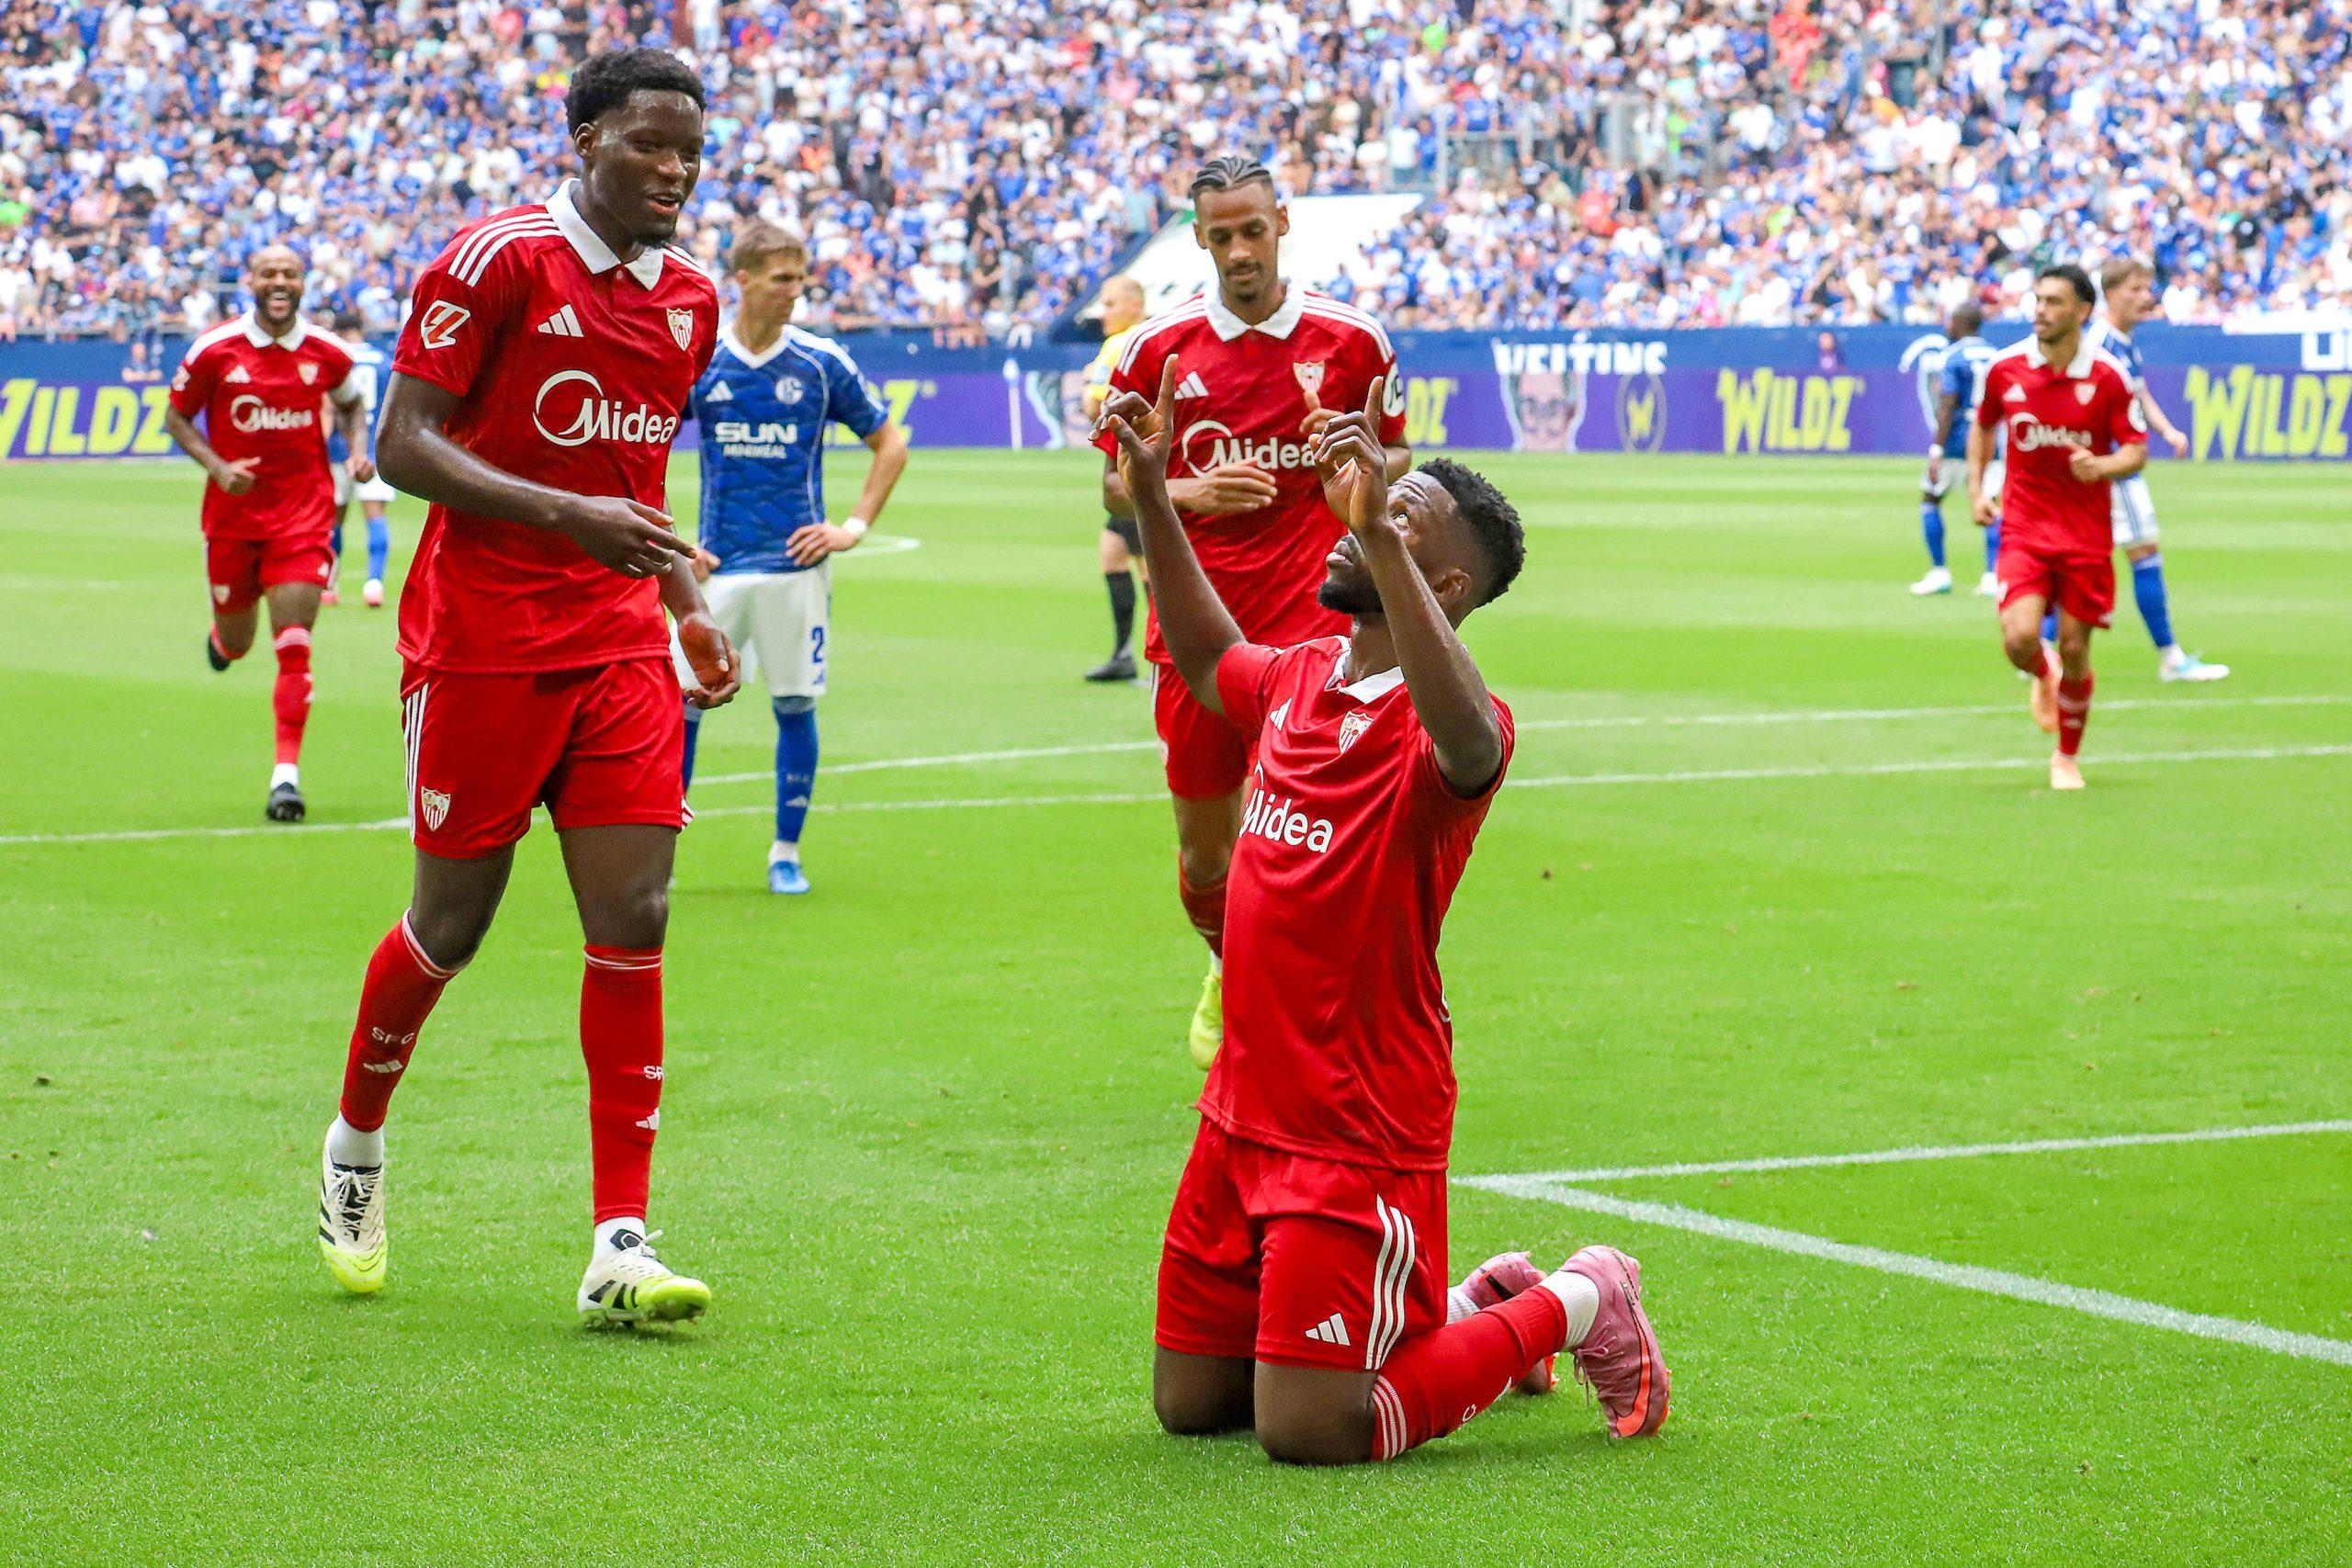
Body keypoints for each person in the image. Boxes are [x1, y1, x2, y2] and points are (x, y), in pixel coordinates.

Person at [1101, 362, 1668, 1465]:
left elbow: (1474, 750)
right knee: (1192, 1406)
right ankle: (1465, 1301)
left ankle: (1577, 1296)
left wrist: (1386, 532)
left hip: (1354, 1121)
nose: (1354, 513)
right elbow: (1215, 657)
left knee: (1312, 1433)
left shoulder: (1453, 719)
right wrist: (1153, 493)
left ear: (1442, 583)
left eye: (1397, 517)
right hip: (1241, 1108)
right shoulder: (1303, 673)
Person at [313, 49, 743, 1327]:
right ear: (585, 141)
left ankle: (621, 1237)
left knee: (639, 910)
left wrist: (687, 606)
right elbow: (401, 445)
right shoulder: (494, 259)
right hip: (482, 638)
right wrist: (568, 512)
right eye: (649, 146)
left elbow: (636, 479)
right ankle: (355, 1144)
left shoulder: (691, 298)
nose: (674, 170)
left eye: (691, 153)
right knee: (452, 921)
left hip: (616, 641)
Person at [1094, 154, 1408, 1069]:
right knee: (1205, 855)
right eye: (1220, 235)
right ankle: (1230, 967)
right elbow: (1117, 487)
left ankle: (1306, 1012)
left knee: (1311, 839)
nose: (1239, 250)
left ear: (1282, 221)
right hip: (1195, 639)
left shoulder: (1353, 342)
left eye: (1252, 229)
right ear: (1197, 239)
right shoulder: (1156, 350)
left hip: (1315, 636)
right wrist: (1187, 490)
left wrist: (1350, 471)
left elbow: (1394, 465)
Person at [676, 219, 910, 896]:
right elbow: (647, 442)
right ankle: (659, 842)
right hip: (714, 569)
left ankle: (785, 851)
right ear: (742, 281)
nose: (795, 293)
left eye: (800, 280)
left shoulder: (819, 361)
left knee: (794, 707)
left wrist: (853, 527)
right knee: (682, 704)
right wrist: (673, 541)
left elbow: (889, 445)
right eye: (782, 280)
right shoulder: (701, 360)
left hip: (794, 569)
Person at [164, 243, 370, 823]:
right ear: (249, 282)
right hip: (232, 520)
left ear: (303, 284)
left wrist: (356, 454)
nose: (279, 282)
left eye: (290, 274)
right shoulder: (214, 350)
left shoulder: (328, 352)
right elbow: (176, 416)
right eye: (268, 274)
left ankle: (286, 778)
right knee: (240, 642)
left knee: (294, 640)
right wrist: (217, 467)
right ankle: (224, 642)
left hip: (304, 517)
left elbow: (353, 407)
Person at [1969, 264, 2147, 792]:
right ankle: (2041, 674)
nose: (2040, 310)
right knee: (2020, 637)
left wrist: (2102, 466)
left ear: (2082, 312)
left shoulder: (2109, 376)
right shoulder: (2006, 369)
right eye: (2037, 300)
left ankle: (2066, 758)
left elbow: (2136, 452)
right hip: (2024, 524)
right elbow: (1983, 426)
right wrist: (1977, 488)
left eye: (2053, 302)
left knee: (2075, 647)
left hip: (2086, 532)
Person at [2081, 257, 2228, 682]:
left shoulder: (2123, 341)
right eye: (2135, 290)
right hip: (2114, 466)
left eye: (2147, 289)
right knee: (2142, 553)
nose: (2146, 298)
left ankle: (2045, 648)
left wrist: (2168, 431)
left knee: (2087, 558)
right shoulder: (2101, 344)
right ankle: (2170, 658)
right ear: (2110, 294)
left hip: (2108, 465)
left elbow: (2138, 393)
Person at [1081, 275, 1149, 682]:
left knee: (1148, 567)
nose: (1103, 313)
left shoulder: (1122, 343)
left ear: (1134, 305)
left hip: (1132, 470)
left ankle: (1170, 651)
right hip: (1140, 465)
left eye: (1110, 304)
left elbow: (1095, 406)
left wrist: (1094, 384)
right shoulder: (1154, 339)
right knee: (1112, 552)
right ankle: (1123, 653)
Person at [1910, 303, 1999, 597]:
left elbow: (1947, 405)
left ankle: (1939, 572)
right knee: (1992, 504)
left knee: (1930, 499)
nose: (1947, 326)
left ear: (1960, 323)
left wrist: (1937, 448)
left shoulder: (1951, 357)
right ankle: (1992, 575)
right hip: (1991, 442)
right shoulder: (1995, 355)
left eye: (1950, 321)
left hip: (1957, 441)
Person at [327, 310, 397, 608]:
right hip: (372, 451)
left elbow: (330, 407)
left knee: (334, 520)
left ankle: (328, 585)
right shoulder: (384, 361)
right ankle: (374, 584)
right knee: (375, 515)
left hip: (338, 450)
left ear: (340, 332)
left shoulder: (336, 359)